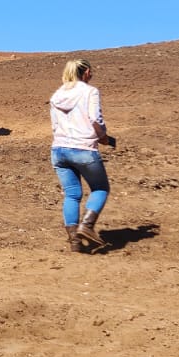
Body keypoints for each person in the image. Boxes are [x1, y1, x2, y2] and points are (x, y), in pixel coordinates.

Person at [50, 59, 115, 253]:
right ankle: (86, 226)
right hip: (83, 148)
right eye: (91, 72)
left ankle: (74, 242)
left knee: (72, 194)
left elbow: (54, 124)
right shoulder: (89, 91)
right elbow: (95, 118)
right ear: (85, 72)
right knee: (100, 188)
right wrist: (103, 137)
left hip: (59, 149)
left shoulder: (57, 94)